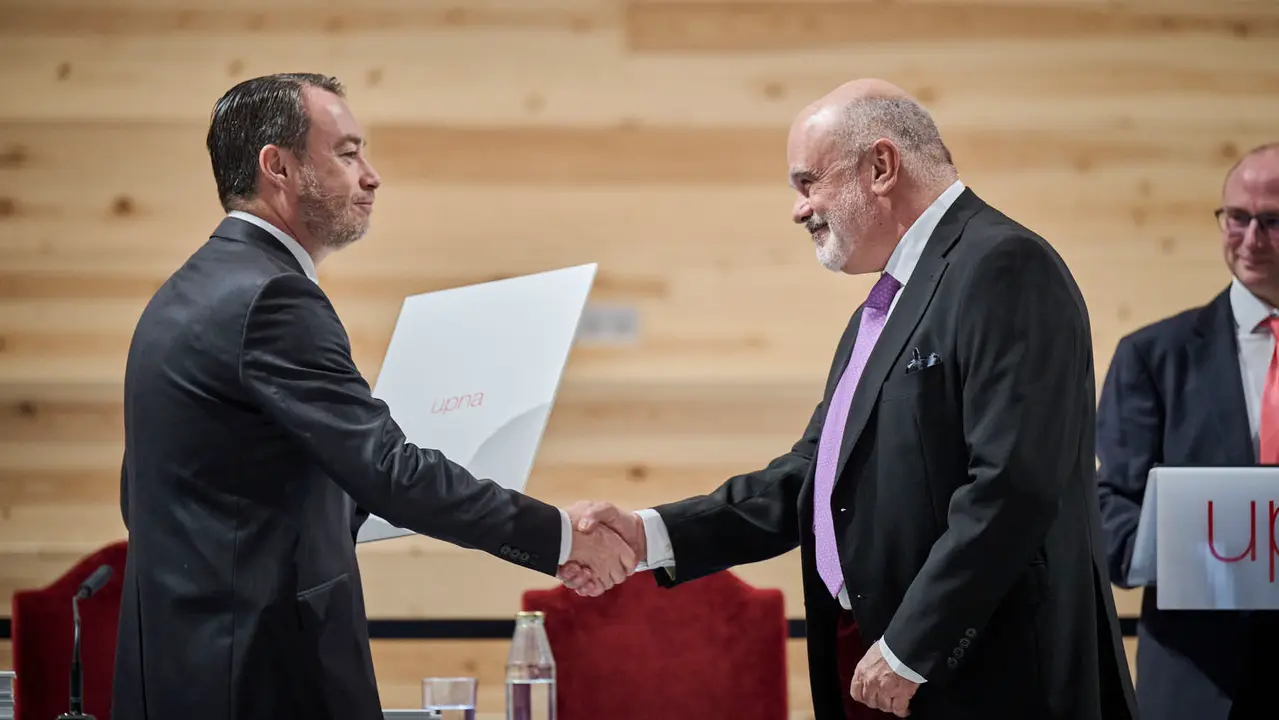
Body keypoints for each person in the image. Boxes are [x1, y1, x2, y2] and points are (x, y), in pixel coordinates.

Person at [560, 78, 1138, 720]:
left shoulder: (1003, 266)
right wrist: (651, 535)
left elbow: (1013, 486)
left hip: (980, 681)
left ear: (882, 167)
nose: (799, 209)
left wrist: (913, 644)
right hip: (878, 671)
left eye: (808, 182)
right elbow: (812, 476)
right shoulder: (885, 304)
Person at [112, 73, 635, 720]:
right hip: (256, 679)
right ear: (277, 166)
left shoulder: (188, 291)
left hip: (181, 669)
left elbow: (165, 490)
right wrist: (559, 537)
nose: (372, 175)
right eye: (348, 152)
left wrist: (364, 502)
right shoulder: (274, 298)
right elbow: (388, 471)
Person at [1096, 142, 1279, 720]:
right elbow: (1113, 510)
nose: (1251, 239)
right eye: (1237, 218)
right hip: (1200, 675)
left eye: (1273, 221)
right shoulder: (1152, 357)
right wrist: (1173, 544)